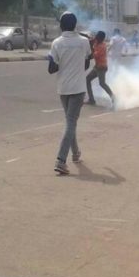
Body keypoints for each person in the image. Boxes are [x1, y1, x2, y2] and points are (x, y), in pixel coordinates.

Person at [48, 12, 92, 176]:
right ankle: (60, 160)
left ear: (61, 26)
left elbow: (51, 69)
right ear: (75, 25)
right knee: (71, 123)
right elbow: (86, 63)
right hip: (78, 88)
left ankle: (76, 153)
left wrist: (56, 61)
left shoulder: (56, 43)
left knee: (70, 122)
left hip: (63, 88)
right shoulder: (84, 41)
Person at [86, 30, 114, 107]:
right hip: (97, 67)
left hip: (101, 67)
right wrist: (88, 39)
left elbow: (92, 55)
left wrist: (90, 46)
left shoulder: (102, 47)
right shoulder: (97, 41)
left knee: (102, 83)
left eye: (97, 37)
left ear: (100, 38)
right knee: (87, 79)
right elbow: (91, 41)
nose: (96, 38)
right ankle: (91, 99)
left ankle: (113, 98)